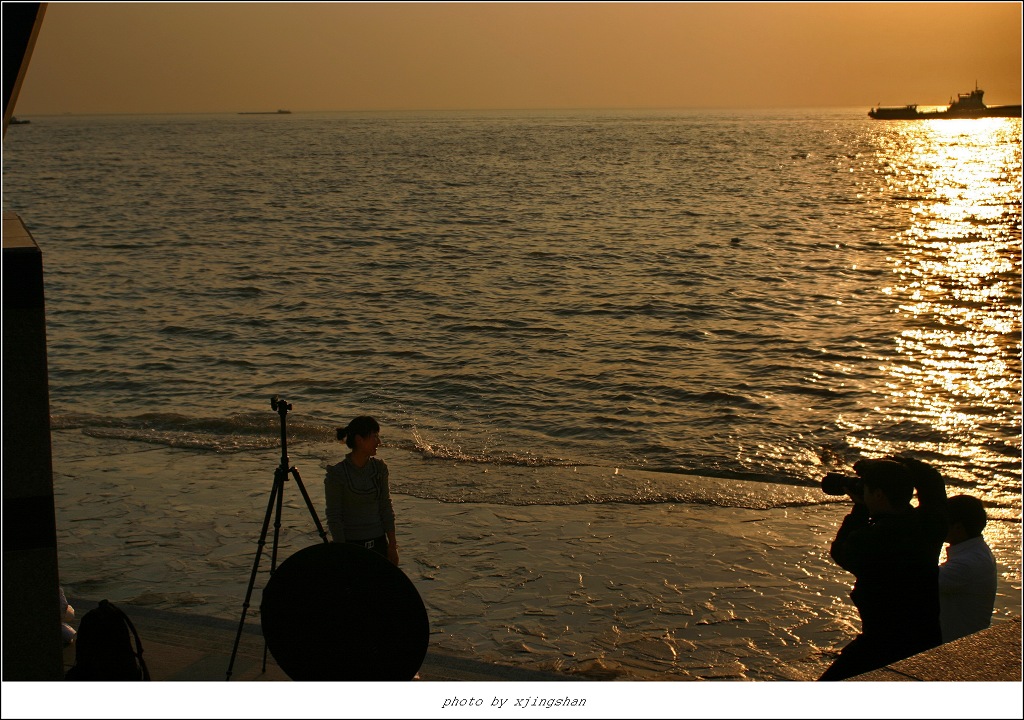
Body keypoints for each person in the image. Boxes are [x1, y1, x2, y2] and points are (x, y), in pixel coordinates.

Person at [818, 455, 947, 681]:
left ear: (878, 494)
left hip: (882, 643)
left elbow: (841, 551)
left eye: (867, 490)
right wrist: (893, 466)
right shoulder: (930, 525)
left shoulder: (870, 540)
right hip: (926, 639)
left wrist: (859, 508)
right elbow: (932, 481)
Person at [324, 416, 399, 566]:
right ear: (359, 440)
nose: (379, 442)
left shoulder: (380, 469)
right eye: (375, 436)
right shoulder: (337, 474)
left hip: (379, 542)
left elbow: (386, 507)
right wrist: (342, 550)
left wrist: (392, 545)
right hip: (351, 545)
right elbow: (334, 517)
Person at [938, 494, 997, 643]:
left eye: (943, 520)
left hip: (956, 646)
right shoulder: (978, 552)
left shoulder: (966, 564)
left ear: (958, 527)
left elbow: (917, 579)